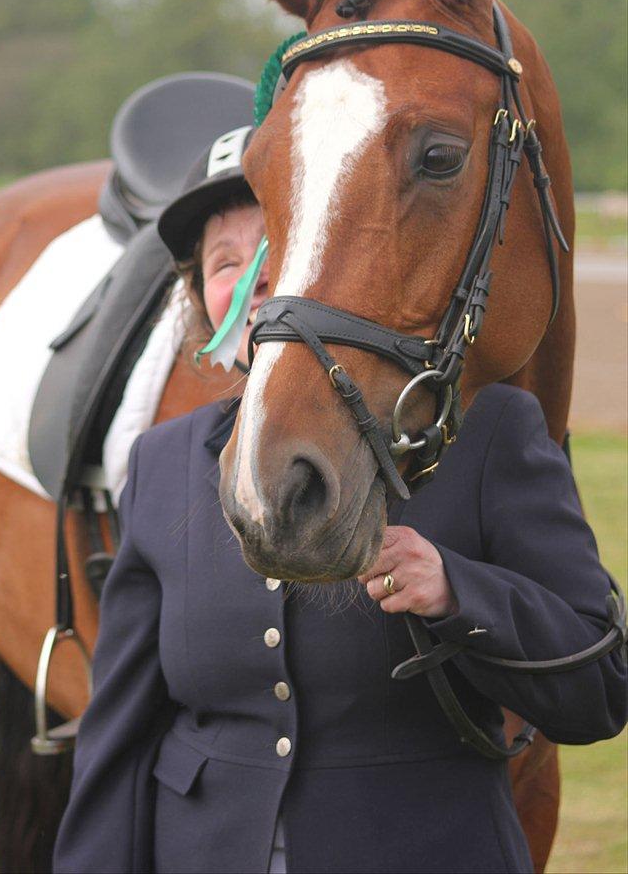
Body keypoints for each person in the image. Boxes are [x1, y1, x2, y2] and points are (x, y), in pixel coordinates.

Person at [54, 139, 626, 874]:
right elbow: (121, 735)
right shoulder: (161, 463)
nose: (255, 279)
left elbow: (597, 695)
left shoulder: (490, 435)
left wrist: (456, 589)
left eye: (276, 246)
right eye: (224, 263)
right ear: (199, 300)